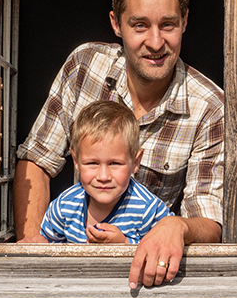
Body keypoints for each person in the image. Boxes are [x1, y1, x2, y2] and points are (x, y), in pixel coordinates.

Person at [15, 0, 224, 287]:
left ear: (185, 20)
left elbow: (210, 221)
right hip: (72, 272)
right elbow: (37, 160)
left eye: (167, 25)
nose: (155, 42)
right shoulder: (84, 66)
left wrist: (175, 227)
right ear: (116, 23)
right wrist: (34, 246)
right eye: (140, 25)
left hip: (150, 280)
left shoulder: (209, 106)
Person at [40, 100, 172, 245]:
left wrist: (125, 245)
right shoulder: (64, 206)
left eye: (114, 163)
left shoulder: (149, 210)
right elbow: (48, 247)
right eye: (92, 163)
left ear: (135, 162)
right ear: (76, 160)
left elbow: (166, 245)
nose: (103, 176)